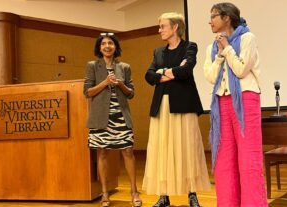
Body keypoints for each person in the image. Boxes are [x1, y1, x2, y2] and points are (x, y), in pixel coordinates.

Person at [142, 12, 211, 207]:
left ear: (175, 28)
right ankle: (164, 196)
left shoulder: (190, 47)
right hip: (161, 106)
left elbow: (186, 71)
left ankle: (192, 194)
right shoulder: (158, 52)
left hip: (183, 104)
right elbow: (148, 76)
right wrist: (170, 72)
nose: (159, 30)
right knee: (162, 150)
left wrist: (161, 72)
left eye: (163, 26)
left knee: (188, 149)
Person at [203, 2, 268, 207]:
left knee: (249, 161)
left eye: (213, 16)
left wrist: (228, 48)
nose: (209, 21)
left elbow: (241, 70)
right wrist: (221, 54)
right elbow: (211, 76)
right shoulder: (211, 47)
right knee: (224, 162)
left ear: (227, 18)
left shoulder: (248, 38)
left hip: (245, 100)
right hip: (221, 102)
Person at [83, 33, 142, 207]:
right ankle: (104, 194)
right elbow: (87, 92)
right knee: (102, 153)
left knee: (128, 152)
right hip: (101, 117)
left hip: (121, 117)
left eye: (110, 43)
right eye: (103, 44)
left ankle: (134, 192)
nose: (107, 46)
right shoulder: (93, 66)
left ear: (115, 47)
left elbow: (131, 93)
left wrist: (120, 84)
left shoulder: (124, 67)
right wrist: (104, 82)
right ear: (99, 48)